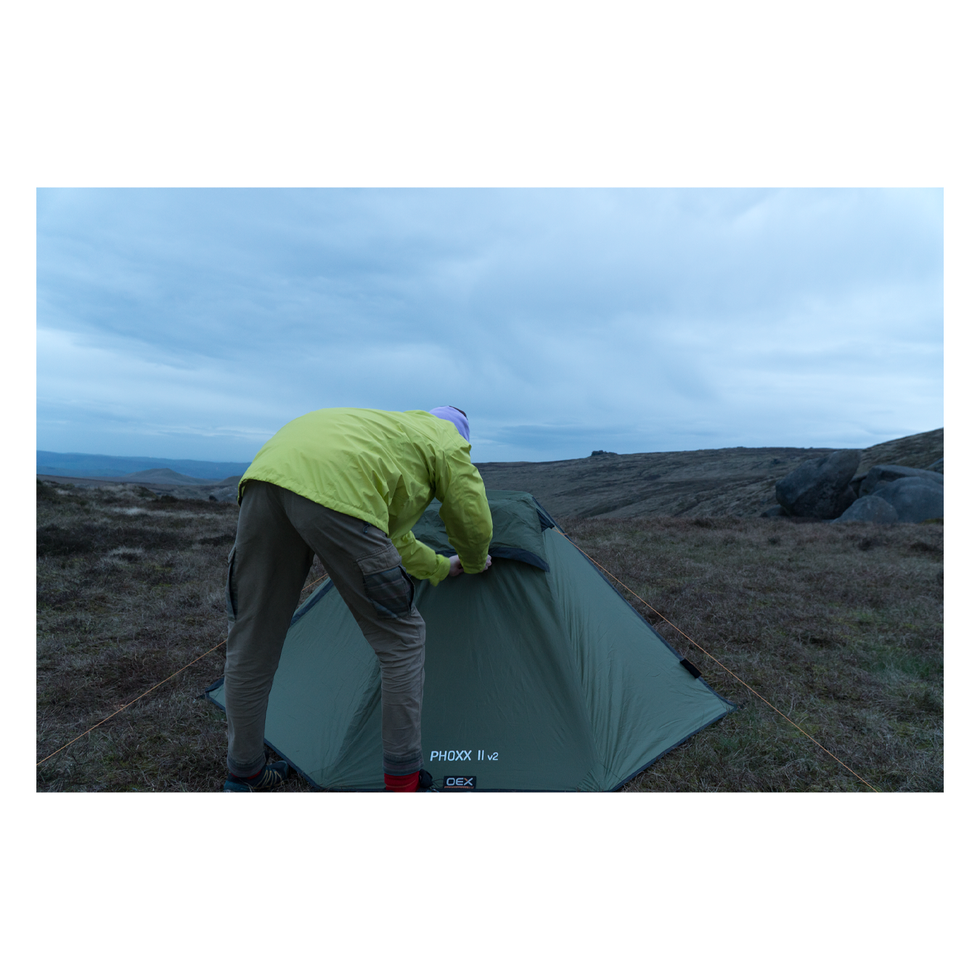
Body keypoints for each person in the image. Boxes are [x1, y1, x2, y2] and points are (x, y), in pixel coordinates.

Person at [221, 406, 493, 792]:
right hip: (336, 485)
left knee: (252, 638)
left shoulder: (390, 432)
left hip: (267, 474)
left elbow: (392, 539)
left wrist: (439, 567)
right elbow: (470, 511)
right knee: (403, 639)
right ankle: (404, 782)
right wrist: (472, 559)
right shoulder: (447, 440)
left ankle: (244, 772)